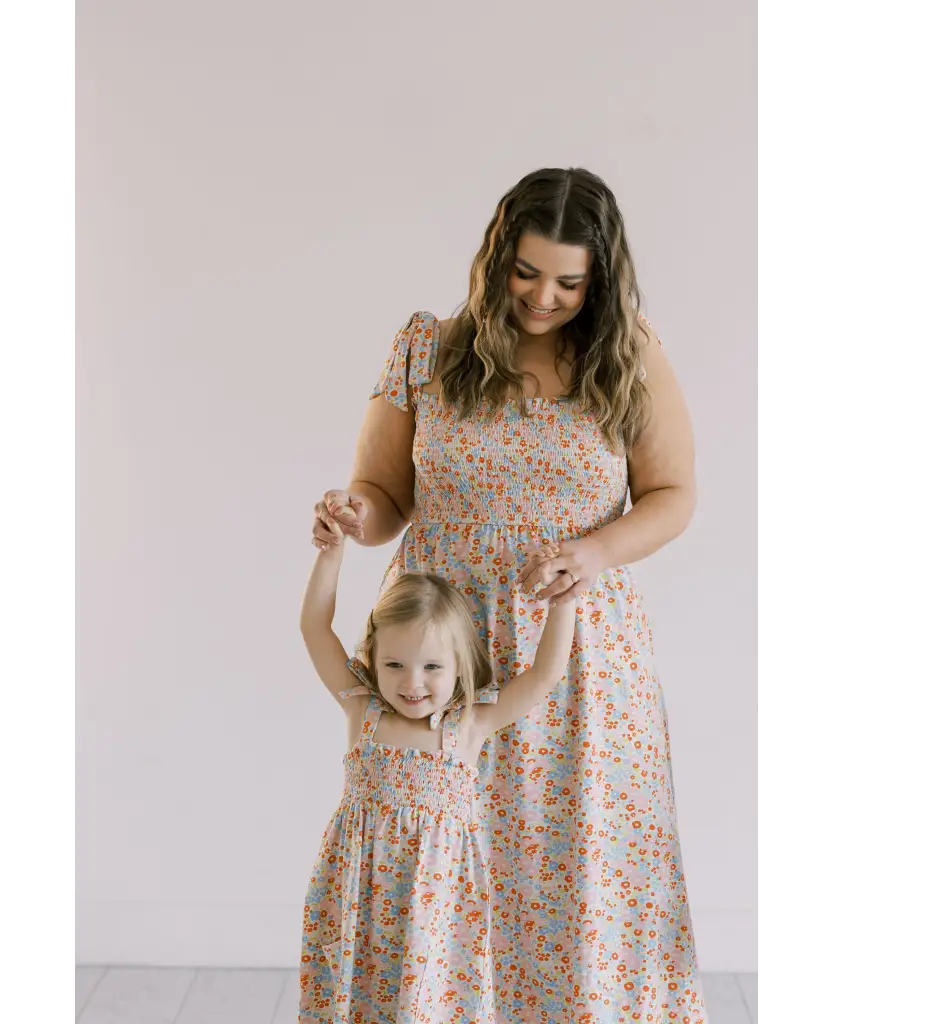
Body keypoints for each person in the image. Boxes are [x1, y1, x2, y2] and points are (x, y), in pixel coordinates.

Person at [312, 167, 708, 1023]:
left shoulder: (628, 353)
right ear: (497, 257)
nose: (544, 297)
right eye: (527, 273)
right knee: (439, 866)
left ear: (601, 278)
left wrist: (593, 551)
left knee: (578, 872)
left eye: (570, 282)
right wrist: (353, 513)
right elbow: (384, 495)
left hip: (578, 659)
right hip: (437, 655)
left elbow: (674, 496)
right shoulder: (428, 349)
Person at [297, 521, 575, 1023]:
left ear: (459, 665)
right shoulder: (363, 710)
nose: (412, 683)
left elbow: (545, 674)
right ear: (372, 659)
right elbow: (315, 627)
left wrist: (563, 600)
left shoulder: (469, 724)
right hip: (359, 893)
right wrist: (332, 553)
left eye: (431, 667)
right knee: (358, 997)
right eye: (395, 665)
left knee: (430, 1004)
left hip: (436, 902)